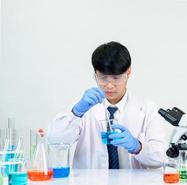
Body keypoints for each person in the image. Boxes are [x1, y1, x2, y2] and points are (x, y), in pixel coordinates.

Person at [47, 41, 165, 169]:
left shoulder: (148, 109)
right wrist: (76, 113)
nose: (109, 86)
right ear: (95, 74)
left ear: (128, 73)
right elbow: (55, 141)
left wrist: (137, 147)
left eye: (116, 78)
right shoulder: (82, 107)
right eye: (103, 77)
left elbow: (160, 158)